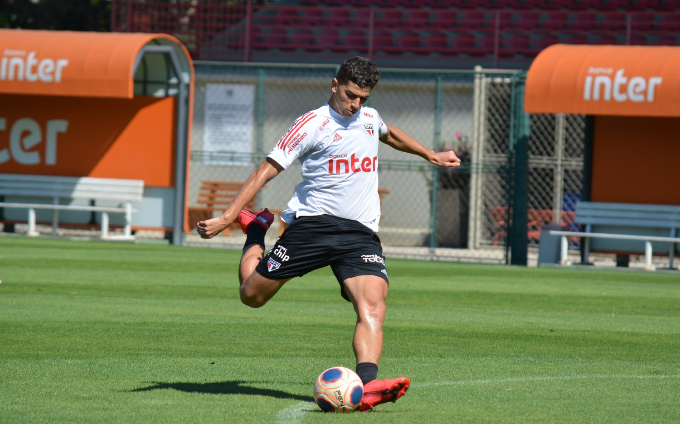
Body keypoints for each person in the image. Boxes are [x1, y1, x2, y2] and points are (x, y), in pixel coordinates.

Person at [197, 56, 461, 411]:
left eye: (363, 98)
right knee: (251, 296)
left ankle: (367, 385)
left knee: (373, 305)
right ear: (334, 84)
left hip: (359, 233)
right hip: (312, 227)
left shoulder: (368, 117)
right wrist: (229, 216)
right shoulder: (312, 124)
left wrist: (430, 154)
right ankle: (256, 231)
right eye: (350, 95)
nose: (355, 105)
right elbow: (266, 170)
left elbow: (390, 133)